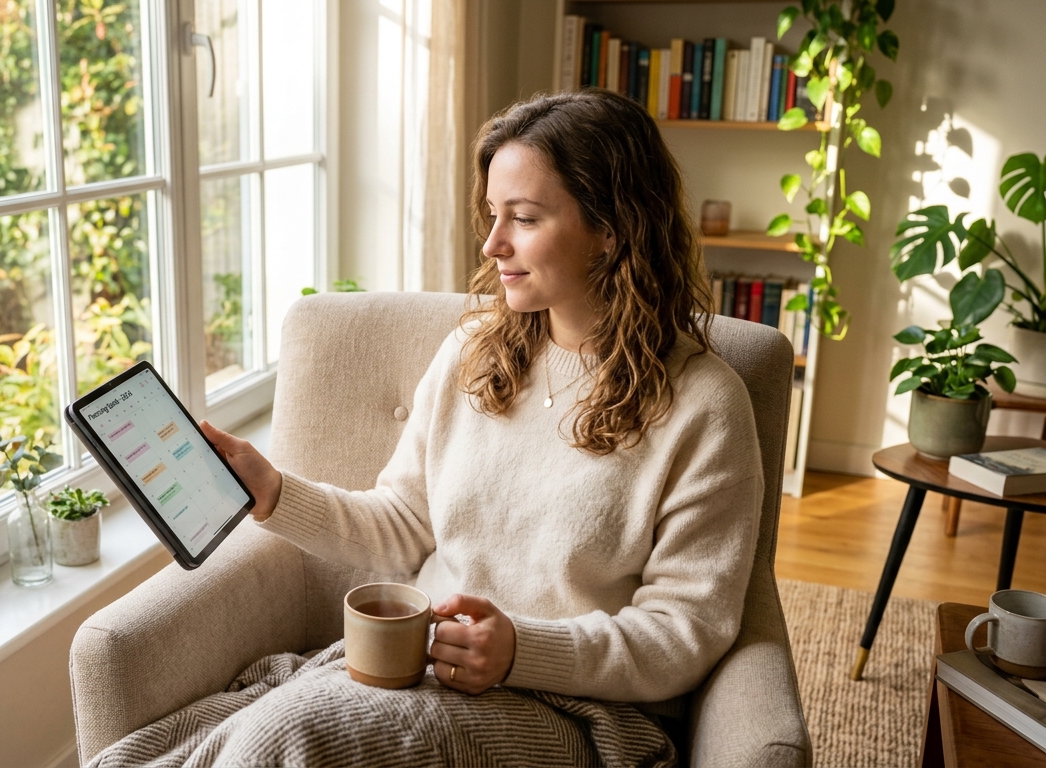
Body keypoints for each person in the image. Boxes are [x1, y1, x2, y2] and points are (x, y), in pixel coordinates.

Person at [200, 88, 762, 709]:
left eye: (523, 218)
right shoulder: (475, 352)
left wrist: (523, 650)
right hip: (420, 668)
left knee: (290, 734)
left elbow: (687, 630)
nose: (493, 245)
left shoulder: (704, 404)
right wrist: (273, 491)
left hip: (571, 708)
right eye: (492, 214)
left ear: (613, 228)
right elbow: (401, 524)